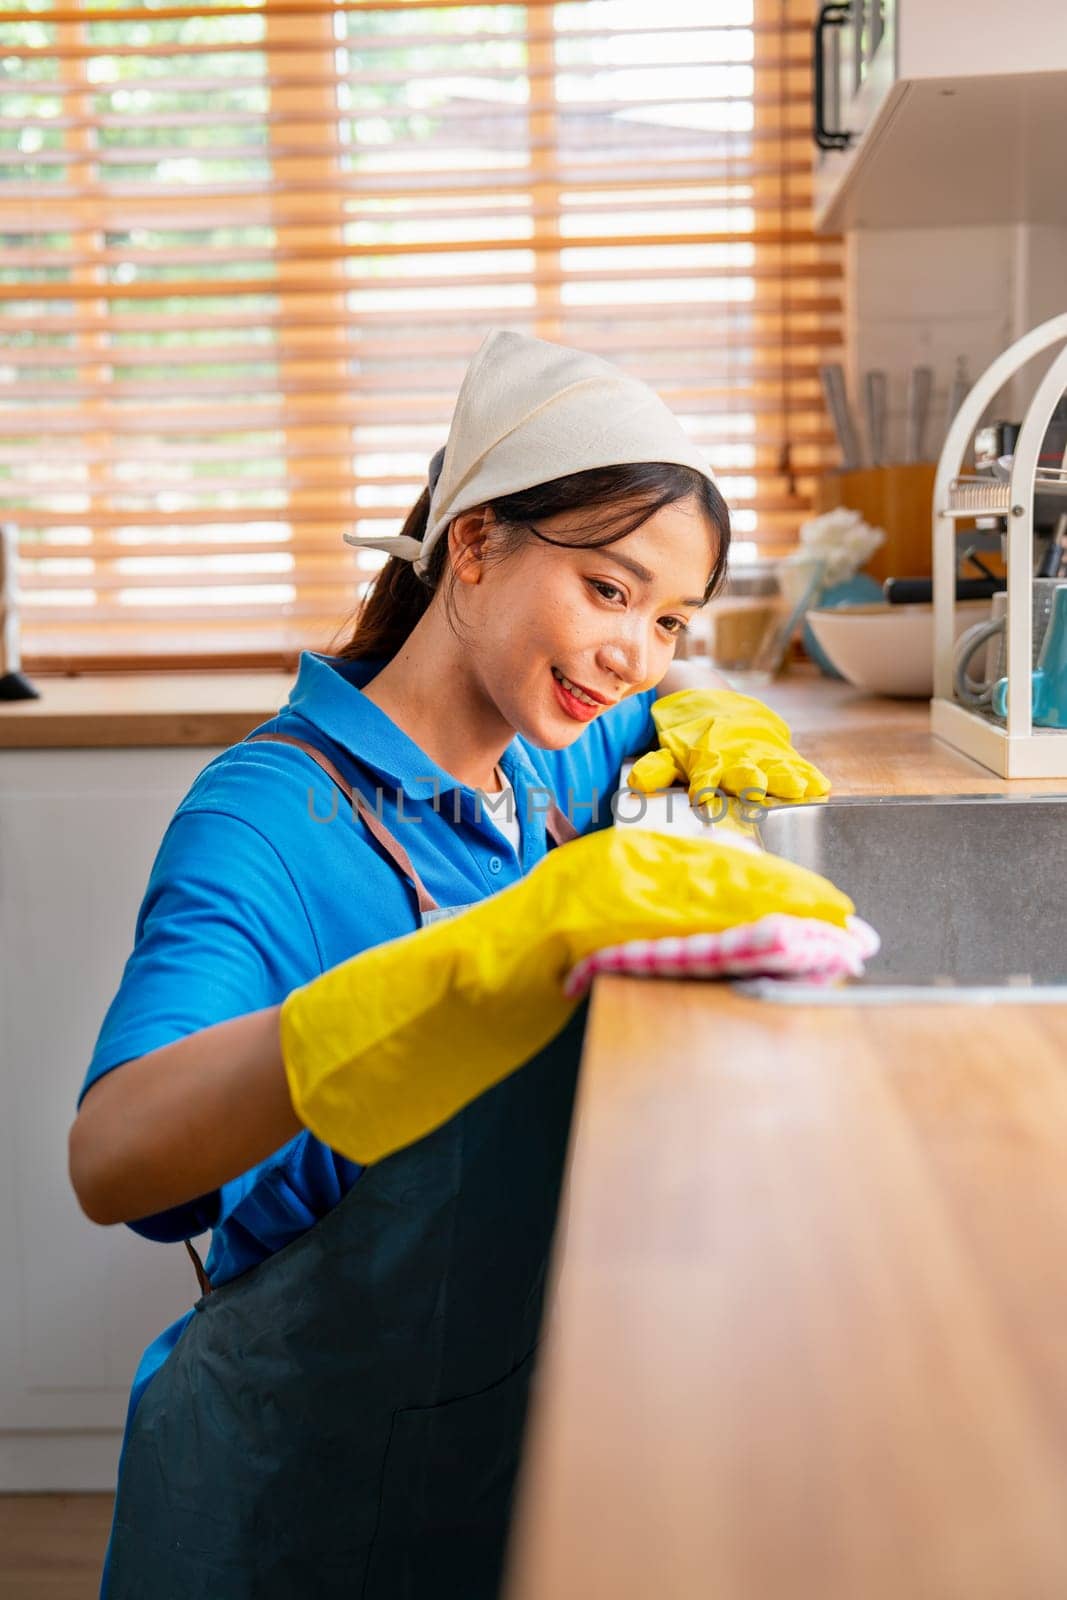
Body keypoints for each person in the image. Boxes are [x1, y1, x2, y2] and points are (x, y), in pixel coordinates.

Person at [68, 329, 849, 1599]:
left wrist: (719, 712)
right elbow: (112, 1155)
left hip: (486, 1437)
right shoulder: (265, 819)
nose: (631, 656)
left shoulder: (545, 751)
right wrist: (462, 970)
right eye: (606, 591)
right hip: (294, 1478)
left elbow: (652, 710)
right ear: (472, 544)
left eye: (669, 621)